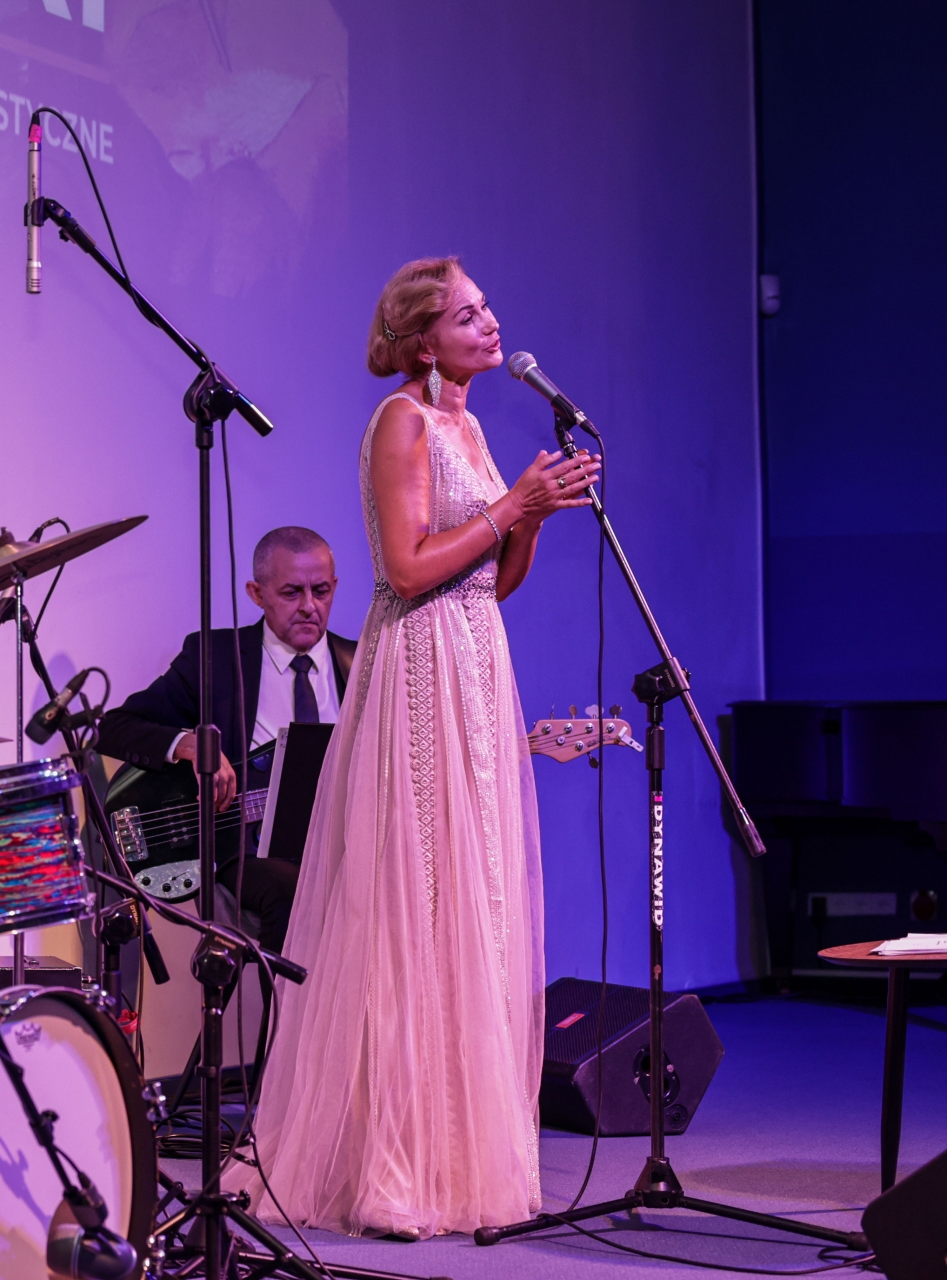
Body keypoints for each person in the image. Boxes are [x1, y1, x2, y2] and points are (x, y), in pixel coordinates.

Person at [224, 258, 598, 1238]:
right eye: (469, 315)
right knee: (415, 899)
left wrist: (531, 520)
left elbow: (489, 582)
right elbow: (404, 569)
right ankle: (393, 1161)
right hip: (421, 669)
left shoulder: (471, 428)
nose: (491, 323)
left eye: (487, 308)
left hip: (478, 659)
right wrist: (511, 507)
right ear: (424, 339)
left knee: (476, 898)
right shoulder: (402, 421)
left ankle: (461, 1152)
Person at [96, 526, 355, 952]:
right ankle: (287, 1002)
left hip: (343, 846)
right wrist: (190, 745)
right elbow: (114, 727)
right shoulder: (216, 658)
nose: (310, 606)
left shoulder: (363, 664)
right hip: (245, 851)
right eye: (291, 593)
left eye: (321, 591)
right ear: (257, 593)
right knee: (293, 889)